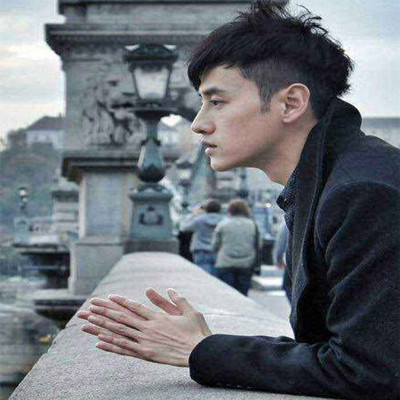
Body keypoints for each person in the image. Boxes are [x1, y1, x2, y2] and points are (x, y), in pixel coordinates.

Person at [77, 1, 400, 398]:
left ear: (290, 103)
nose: (198, 124)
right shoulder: (327, 182)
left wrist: (202, 351)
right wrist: (209, 347)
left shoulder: (364, 194)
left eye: (217, 102)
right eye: (201, 103)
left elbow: (369, 370)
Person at [212, 199, 259, 296]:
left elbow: (215, 244)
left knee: (227, 294)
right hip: (246, 263)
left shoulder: (223, 224)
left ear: (230, 210)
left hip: (225, 262)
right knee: (243, 294)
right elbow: (258, 244)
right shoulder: (253, 225)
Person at [179, 199, 223, 275]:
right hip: (218, 251)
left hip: (201, 250)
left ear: (206, 209)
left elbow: (183, 228)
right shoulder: (223, 221)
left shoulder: (199, 220)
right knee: (216, 277)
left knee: (203, 275)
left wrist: (193, 214)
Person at [272, 221, 291, 302]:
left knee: (288, 287)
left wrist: (278, 259)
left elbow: (281, 241)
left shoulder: (288, 220)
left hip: (292, 262)